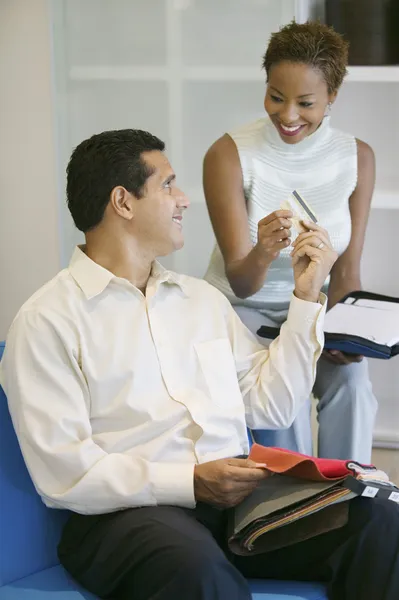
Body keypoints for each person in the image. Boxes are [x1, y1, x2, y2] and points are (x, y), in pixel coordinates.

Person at [1, 129, 398, 600]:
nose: (184, 200)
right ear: (123, 202)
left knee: (380, 520)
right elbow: (65, 472)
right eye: (168, 185)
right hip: (128, 518)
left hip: (238, 507)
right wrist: (190, 482)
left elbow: (273, 406)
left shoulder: (201, 301)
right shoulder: (48, 320)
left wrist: (307, 296)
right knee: (198, 572)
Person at [203, 21, 377, 463]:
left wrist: (347, 336)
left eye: (306, 103)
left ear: (332, 97)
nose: (288, 115)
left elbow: (346, 273)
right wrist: (264, 250)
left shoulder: (356, 158)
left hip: (311, 312)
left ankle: (349, 495)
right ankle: (292, 509)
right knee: (284, 402)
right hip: (244, 316)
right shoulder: (228, 154)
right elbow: (241, 283)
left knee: (354, 387)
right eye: (276, 97)